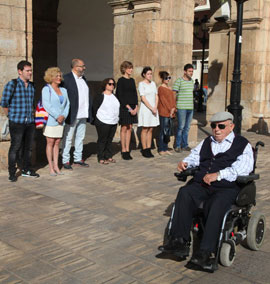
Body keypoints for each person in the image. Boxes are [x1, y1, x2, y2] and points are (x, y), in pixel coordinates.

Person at [158, 111, 254, 269]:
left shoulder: (242, 144)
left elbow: (243, 169)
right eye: (214, 126)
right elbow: (195, 156)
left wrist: (219, 175)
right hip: (202, 184)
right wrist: (186, 163)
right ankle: (179, 243)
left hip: (226, 187)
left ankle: (205, 252)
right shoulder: (207, 141)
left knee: (215, 204)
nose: (216, 129)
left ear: (231, 127)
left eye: (221, 126)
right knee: (185, 193)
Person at [0, 60, 39, 182]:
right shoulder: (12, 84)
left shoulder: (32, 86)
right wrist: (11, 117)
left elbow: (33, 104)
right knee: (15, 147)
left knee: (28, 148)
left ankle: (26, 169)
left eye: (31, 70)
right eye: (27, 70)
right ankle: (12, 172)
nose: (30, 73)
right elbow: (4, 103)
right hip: (16, 122)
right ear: (20, 71)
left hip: (30, 122)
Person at [61, 58, 93, 170]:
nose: (84, 68)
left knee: (80, 137)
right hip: (72, 114)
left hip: (83, 113)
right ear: (75, 67)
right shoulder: (66, 79)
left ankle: (78, 158)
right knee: (68, 137)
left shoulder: (83, 79)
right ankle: (65, 160)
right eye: (82, 66)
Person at [42, 67, 70, 176]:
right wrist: (57, 115)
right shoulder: (46, 89)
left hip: (61, 120)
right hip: (51, 120)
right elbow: (46, 105)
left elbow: (68, 104)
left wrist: (64, 115)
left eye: (59, 76)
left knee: (57, 142)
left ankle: (56, 166)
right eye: (56, 76)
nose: (59, 78)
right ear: (51, 77)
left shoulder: (64, 90)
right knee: (50, 142)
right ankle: (51, 167)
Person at [92, 78, 120, 164]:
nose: (112, 86)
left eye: (113, 84)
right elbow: (94, 109)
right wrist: (97, 120)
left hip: (113, 121)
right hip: (102, 121)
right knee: (102, 140)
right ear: (105, 85)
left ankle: (108, 156)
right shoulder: (100, 96)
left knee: (109, 140)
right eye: (110, 84)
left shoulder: (114, 96)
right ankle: (101, 157)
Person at [116, 61, 138, 160]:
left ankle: (128, 149)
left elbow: (135, 94)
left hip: (133, 107)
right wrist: (129, 108)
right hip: (125, 107)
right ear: (124, 69)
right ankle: (123, 149)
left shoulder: (132, 80)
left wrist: (136, 106)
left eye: (131, 68)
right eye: (129, 68)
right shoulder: (120, 80)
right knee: (124, 128)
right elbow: (120, 96)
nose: (131, 70)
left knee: (130, 127)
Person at [138, 67, 159, 158]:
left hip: (154, 109)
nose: (150, 75)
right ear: (144, 75)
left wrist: (155, 107)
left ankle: (149, 148)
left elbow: (156, 96)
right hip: (146, 109)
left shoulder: (153, 84)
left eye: (151, 74)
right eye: (148, 74)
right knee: (145, 128)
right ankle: (144, 148)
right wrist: (151, 107)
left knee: (151, 129)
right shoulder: (141, 84)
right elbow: (143, 98)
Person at [173, 63, 194, 153]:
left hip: (190, 107)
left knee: (187, 127)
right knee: (181, 127)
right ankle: (178, 145)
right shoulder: (179, 81)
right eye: (189, 71)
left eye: (192, 71)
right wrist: (174, 106)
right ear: (185, 72)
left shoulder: (192, 81)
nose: (191, 73)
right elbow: (174, 94)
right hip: (181, 107)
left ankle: (185, 145)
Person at [157, 71, 176, 155]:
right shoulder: (161, 88)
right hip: (164, 112)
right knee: (163, 131)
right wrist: (170, 109)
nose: (168, 79)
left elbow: (173, 100)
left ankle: (165, 147)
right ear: (162, 79)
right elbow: (163, 101)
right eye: (166, 78)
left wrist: (174, 108)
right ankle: (161, 149)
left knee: (167, 131)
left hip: (171, 112)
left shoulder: (169, 88)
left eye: (169, 78)